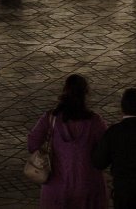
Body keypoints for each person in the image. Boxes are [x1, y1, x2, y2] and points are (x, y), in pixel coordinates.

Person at [27, 74, 108, 209]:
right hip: (88, 185)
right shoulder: (95, 121)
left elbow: (32, 144)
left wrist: (44, 154)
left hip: (56, 187)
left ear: (64, 91)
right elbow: (106, 151)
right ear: (85, 94)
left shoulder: (50, 118)